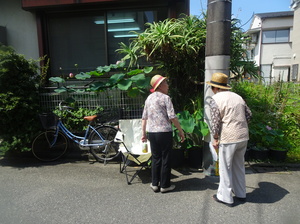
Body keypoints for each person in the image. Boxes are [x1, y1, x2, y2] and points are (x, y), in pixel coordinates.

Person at [206, 72, 252, 207]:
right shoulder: (238, 97)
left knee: (225, 168)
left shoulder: (216, 99)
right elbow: (249, 115)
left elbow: (215, 122)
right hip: (243, 136)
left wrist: (215, 138)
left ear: (214, 88)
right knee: (238, 165)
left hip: (228, 137)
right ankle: (241, 193)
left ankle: (225, 197)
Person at [141, 74, 185, 193]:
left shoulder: (148, 98)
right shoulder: (166, 98)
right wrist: (181, 131)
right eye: (166, 83)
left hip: (152, 133)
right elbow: (172, 117)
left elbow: (144, 118)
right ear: (160, 86)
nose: (168, 86)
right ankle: (165, 185)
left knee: (156, 158)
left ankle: (155, 183)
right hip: (164, 132)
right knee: (166, 158)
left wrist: (143, 134)